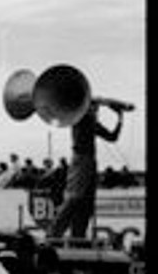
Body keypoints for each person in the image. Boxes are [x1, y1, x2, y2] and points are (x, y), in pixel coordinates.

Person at [49, 101, 124, 239]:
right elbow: (111, 136)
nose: (95, 110)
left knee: (86, 202)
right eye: (93, 108)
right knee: (74, 197)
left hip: (88, 160)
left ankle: (78, 236)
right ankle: (54, 234)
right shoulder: (80, 119)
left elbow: (112, 137)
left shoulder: (89, 121)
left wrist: (119, 118)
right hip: (81, 160)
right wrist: (117, 114)